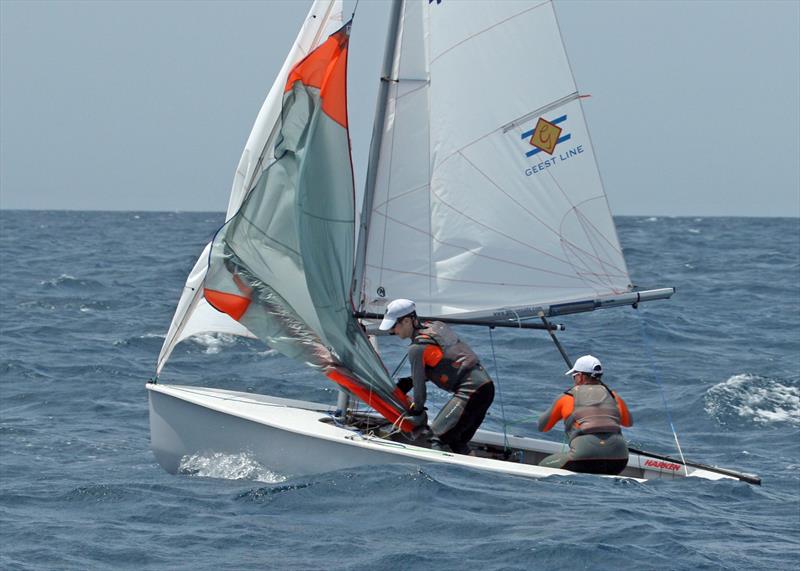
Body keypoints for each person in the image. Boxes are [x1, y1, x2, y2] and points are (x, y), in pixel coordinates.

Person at [379, 299, 495, 455]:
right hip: (486, 387)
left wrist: (417, 411)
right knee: (456, 440)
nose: (392, 331)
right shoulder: (436, 327)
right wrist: (410, 381)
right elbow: (446, 362)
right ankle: (473, 471)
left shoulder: (416, 349)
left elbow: (420, 393)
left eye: (394, 326)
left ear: (407, 321)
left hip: (471, 391)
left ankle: (435, 471)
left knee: (435, 437)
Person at [537, 355, 633, 475]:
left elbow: (542, 427)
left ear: (581, 376)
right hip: (619, 460)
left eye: (574, 376)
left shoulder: (567, 397)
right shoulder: (614, 396)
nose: (574, 379)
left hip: (583, 458)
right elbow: (628, 422)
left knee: (542, 467)